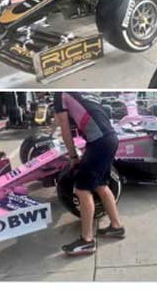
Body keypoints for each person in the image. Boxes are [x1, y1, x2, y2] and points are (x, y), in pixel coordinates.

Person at [53, 92, 125, 256]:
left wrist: (73, 156)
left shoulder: (60, 94)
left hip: (99, 142)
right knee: (101, 185)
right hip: (110, 138)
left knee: (82, 190)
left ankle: (87, 241)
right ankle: (116, 227)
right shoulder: (83, 93)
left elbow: (64, 126)